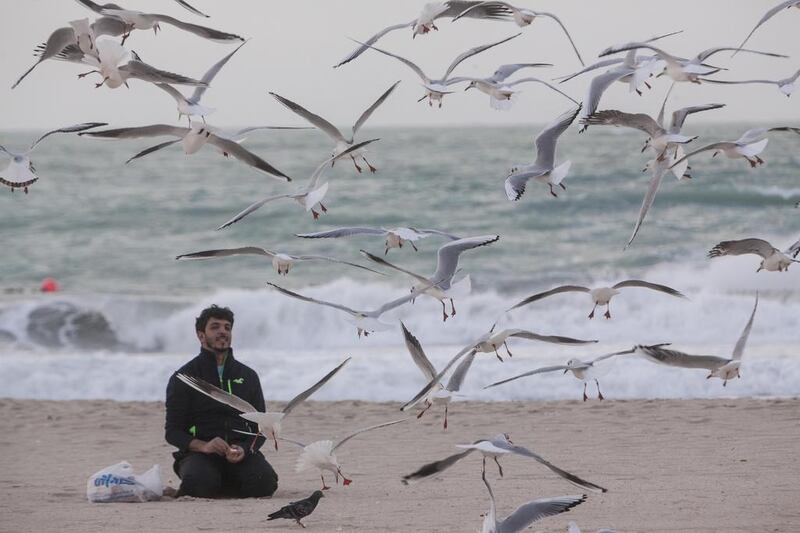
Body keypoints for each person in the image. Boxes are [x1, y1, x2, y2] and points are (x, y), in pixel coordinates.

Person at [165, 305, 278, 498]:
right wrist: (203, 445)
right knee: (199, 482)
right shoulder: (184, 377)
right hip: (199, 454)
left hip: (239, 454)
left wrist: (243, 448)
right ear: (201, 335)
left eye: (227, 327)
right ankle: (213, 482)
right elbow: (173, 432)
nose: (222, 332)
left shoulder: (248, 376)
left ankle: (222, 483)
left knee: (265, 482)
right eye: (215, 327)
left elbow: (261, 428)